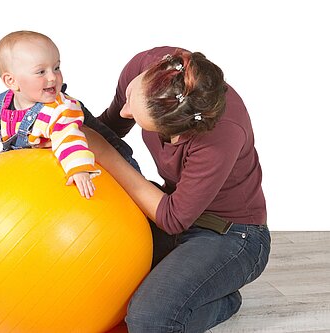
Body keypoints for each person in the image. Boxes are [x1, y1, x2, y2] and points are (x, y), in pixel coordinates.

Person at [82, 46, 271, 332]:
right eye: (132, 96)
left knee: (148, 320)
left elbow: (173, 218)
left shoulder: (221, 134)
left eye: (138, 116)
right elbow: (111, 126)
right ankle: (195, 292)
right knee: (98, 282)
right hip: (170, 210)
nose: (125, 109)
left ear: (177, 131)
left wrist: (105, 155)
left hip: (231, 235)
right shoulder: (150, 70)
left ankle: (222, 301)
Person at [0, 31, 103, 198]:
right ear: (11, 81)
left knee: (117, 150)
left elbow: (68, 137)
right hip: (25, 179)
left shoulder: (59, 109)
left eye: (56, 68)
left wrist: (78, 168)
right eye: (41, 72)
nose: (52, 77)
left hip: (55, 171)